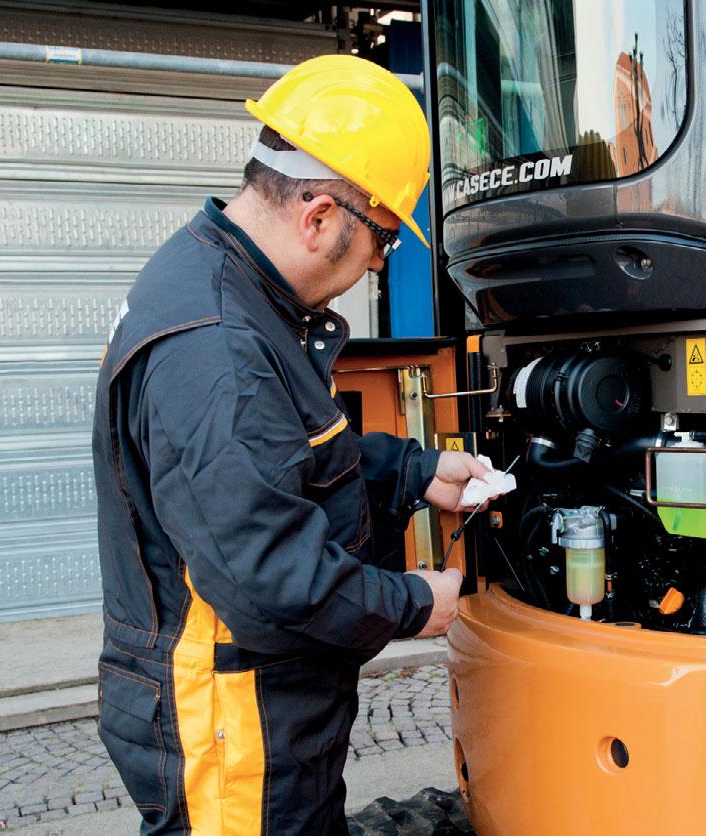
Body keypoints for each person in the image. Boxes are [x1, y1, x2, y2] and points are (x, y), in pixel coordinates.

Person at [91, 54, 489, 835]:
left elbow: (284, 463)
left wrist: (416, 470)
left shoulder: (226, 289)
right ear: (318, 216)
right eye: (381, 240)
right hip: (233, 727)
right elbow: (271, 577)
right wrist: (419, 604)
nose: (378, 263)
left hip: (253, 714)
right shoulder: (217, 346)